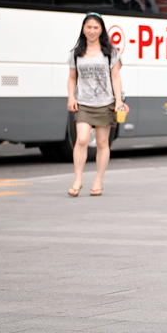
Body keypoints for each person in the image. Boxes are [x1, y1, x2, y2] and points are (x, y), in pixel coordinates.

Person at [66, 13, 126, 197]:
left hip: (105, 102)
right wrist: (71, 97)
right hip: (83, 102)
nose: (92, 31)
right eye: (88, 27)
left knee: (102, 143)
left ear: (101, 30)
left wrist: (118, 100)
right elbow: (72, 78)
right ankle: (78, 179)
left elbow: (115, 77)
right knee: (82, 139)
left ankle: (98, 180)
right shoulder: (76, 53)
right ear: (83, 29)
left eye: (96, 27)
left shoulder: (110, 52)